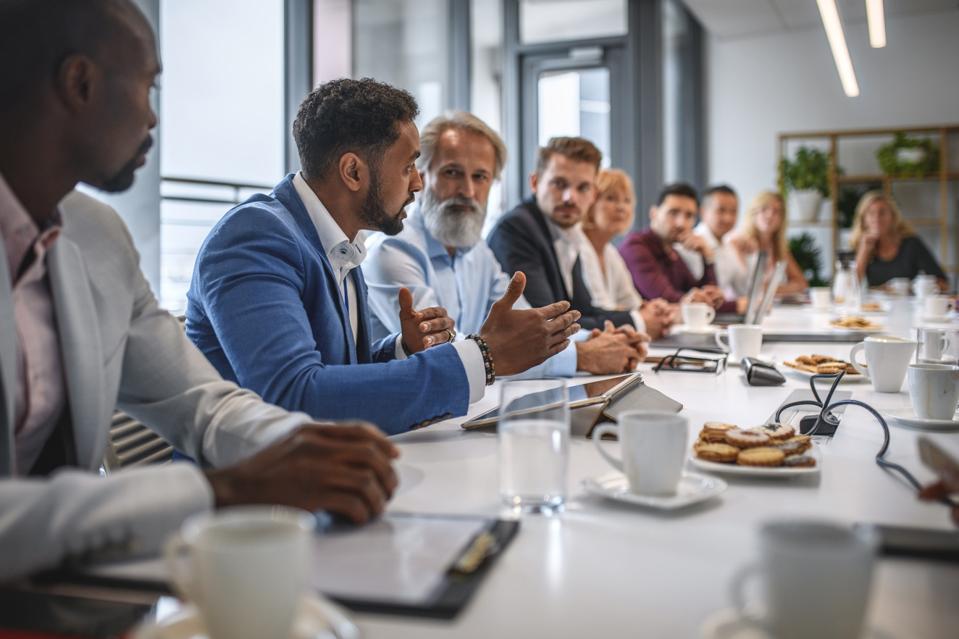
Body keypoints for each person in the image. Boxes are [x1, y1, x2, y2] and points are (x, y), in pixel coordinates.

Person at [0, 0, 400, 581]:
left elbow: (202, 404)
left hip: (76, 589)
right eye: (148, 87)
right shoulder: (259, 232)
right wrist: (217, 490)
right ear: (79, 83)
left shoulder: (98, 237)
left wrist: (304, 447)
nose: (154, 119)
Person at [186, 80, 580, 435]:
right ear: (353, 171)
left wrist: (400, 349)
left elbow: (336, 372)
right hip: (250, 500)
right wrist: (483, 357)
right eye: (409, 165)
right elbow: (294, 396)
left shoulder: (340, 242)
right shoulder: (254, 237)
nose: (418, 182)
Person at [363, 112, 644, 375]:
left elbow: (527, 324)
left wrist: (601, 339)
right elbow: (445, 352)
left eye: (480, 177)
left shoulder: (477, 250)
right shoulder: (392, 250)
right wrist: (582, 355)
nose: (468, 190)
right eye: (452, 173)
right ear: (421, 176)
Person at [487, 136, 671, 339]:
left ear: (593, 193)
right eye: (559, 184)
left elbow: (583, 309)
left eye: (582, 188)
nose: (570, 198)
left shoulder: (569, 232)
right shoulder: (516, 229)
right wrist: (638, 321)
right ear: (535, 182)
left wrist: (639, 315)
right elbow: (547, 321)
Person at [579, 168, 678, 332]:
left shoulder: (610, 252)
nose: (621, 207)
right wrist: (641, 314)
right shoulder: (579, 247)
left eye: (627, 200)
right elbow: (598, 309)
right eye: (610, 198)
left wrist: (651, 308)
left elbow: (631, 302)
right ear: (590, 203)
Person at [619, 183, 733, 312]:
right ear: (654, 213)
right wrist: (734, 305)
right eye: (673, 213)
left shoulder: (672, 253)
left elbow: (703, 296)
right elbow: (667, 298)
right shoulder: (635, 247)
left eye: (689, 216)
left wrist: (707, 258)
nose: (681, 223)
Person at [850, 190, 948, 292]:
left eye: (882, 212)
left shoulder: (911, 244)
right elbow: (850, 289)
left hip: (909, 306)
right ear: (863, 219)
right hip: (875, 307)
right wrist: (863, 252)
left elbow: (943, 283)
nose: (877, 218)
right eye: (871, 213)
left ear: (893, 217)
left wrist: (911, 288)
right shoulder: (859, 246)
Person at [676, 184, 753, 301]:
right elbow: (698, 294)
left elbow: (744, 290)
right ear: (703, 212)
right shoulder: (690, 245)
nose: (728, 218)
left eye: (733, 211)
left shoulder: (728, 246)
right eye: (721, 210)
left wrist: (746, 256)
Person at [728, 191, 808, 296]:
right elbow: (748, 287)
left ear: (781, 219)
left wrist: (769, 289)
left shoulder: (778, 248)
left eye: (776, 211)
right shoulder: (739, 243)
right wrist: (777, 289)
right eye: (764, 209)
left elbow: (801, 284)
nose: (769, 215)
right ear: (753, 213)